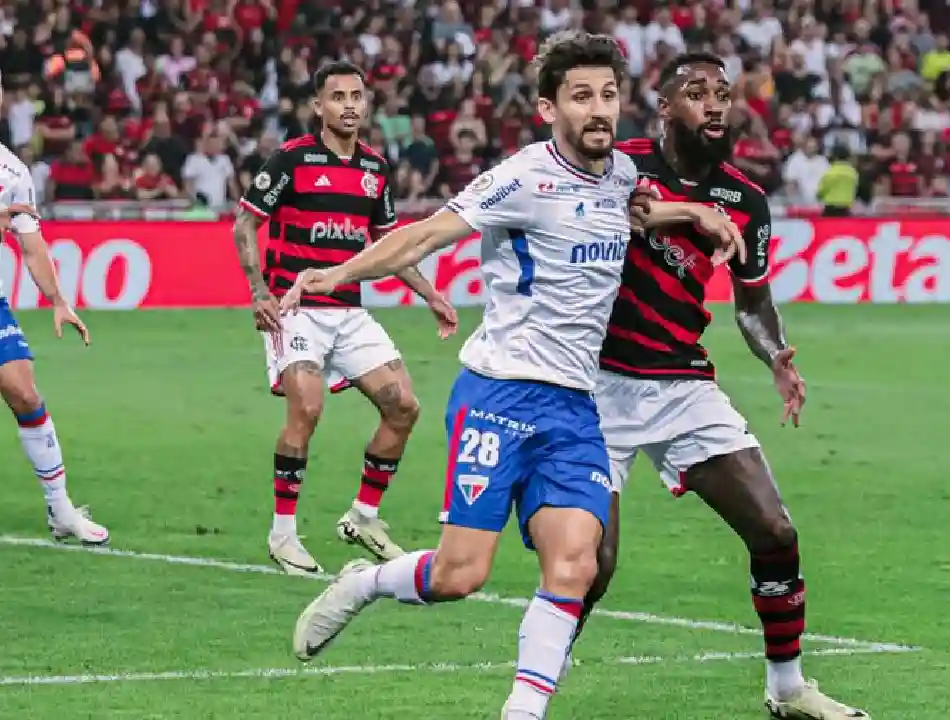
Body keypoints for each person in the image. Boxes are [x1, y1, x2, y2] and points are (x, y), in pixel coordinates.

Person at [283, 32, 743, 720]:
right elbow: (425, 234)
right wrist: (339, 273)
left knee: (576, 566)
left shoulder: (619, 174)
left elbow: (641, 208)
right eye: (581, 96)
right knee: (459, 575)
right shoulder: (522, 177)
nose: (598, 110)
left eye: (608, 96)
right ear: (546, 107)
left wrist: (696, 212)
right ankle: (367, 582)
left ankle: (521, 714)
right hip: (499, 394)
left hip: (576, 408)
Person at [577, 53, 871, 719]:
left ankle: (788, 688)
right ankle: (532, 691)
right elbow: (624, 211)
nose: (715, 106)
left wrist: (775, 355)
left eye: (723, 95)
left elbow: (751, 301)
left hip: (680, 384)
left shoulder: (744, 199)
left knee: (774, 531)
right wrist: (688, 214)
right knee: (592, 568)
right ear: (663, 107)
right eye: (696, 93)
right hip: (595, 385)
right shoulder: (619, 165)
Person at [232, 60, 459, 575]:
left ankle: (364, 515)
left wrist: (431, 294)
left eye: (357, 96)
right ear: (318, 106)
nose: (349, 105)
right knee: (306, 410)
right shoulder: (290, 160)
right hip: (297, 310)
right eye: (338, 97)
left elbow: (389, 245)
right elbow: (245, 225)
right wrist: (258, 290)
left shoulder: (375, 170)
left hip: (349, 311)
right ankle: (283, 534)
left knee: (403, 406)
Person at [0, 151, 105, 545]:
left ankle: (61, 509)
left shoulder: (11, 171)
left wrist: (59, 300)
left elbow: (31, 246)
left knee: (25, 394)